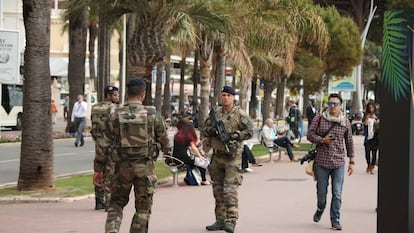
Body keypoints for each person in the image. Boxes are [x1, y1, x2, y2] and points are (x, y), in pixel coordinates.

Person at [100, 78, 170, 233]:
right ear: (143, 94)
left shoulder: (114, 115)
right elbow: (165, 142)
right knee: (143, 208)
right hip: (145, 169)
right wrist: (167, 153)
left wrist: (99, 170)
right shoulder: (152, 115)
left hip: (121, 169)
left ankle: (112, 230)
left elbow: (103, 145)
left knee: (116, 204)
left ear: (126, 92)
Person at [202, 85, 253, 233]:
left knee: (230, 191)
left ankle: (231, 220)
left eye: (228, 95)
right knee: (217, 191)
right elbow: (204, 129)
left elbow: (249, 131)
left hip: (232, 158)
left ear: (233, 97)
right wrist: (211, 131)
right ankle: (220, 220)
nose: (225, 98)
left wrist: (236, 135)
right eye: (223, 95)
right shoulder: (215, 113)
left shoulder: (240, 114)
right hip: (217, 156)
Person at [306, 93, 355, 231]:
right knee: (322, 192)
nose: (332, 106)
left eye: (335, 104)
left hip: (338, 162)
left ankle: (335, 220)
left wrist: (352, 161)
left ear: (340, 106)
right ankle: (320, 208)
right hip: (322, 162)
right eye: (330, 104)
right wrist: (322, 140)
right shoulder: (319, 119)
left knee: (337, 193)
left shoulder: (345, 122)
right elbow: (309, 135)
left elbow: (349, 142)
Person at [91, 85, 119, 210]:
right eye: (115, 95)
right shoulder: (114, 108)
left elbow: (93, 125)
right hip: (111, 143)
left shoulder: (95, 107)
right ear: (109, 95)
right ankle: (108, 201)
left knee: (98, 171)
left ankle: (98, 200)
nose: (117, 97)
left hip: (98, 142)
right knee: (110, 171)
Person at [172, 118, 210, 185]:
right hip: (184, 158)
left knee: (194, 161)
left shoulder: (177, 135)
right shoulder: (188, 135)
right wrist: (200, 156)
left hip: (176, 157)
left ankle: (189, 177)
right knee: (203, 163)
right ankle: (203, 180)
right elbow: (193, 148)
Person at [362, 102, 379, 174]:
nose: (371, 109)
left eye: (372, 108)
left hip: (375, 138)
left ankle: (372, 167)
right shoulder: (366, 115)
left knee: (374, 153)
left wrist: (376, 118)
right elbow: (365, 124)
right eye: (370, 108)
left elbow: (379, 125)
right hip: (368, 138)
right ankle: (368, 164)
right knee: (367, 153)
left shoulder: (377, 115)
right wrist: (367, 117)